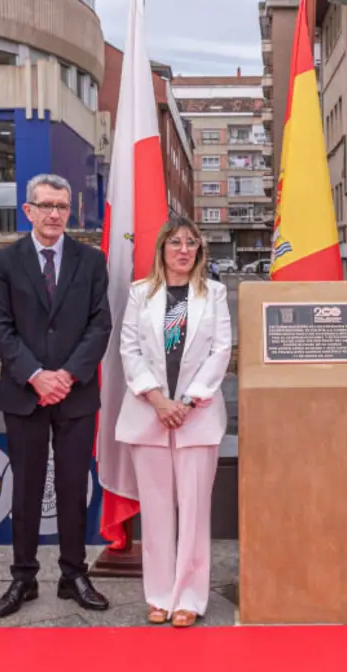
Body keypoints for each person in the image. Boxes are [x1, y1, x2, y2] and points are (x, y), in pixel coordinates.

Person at [0, 173, 113, 618]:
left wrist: (66, 377)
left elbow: (100, 325)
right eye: (46, 206)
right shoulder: (5, 262)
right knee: (26, 489)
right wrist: (37, 376)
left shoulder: (91, 261)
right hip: (25, 394)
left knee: (73, 486)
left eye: (62, 206)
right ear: (29, 211)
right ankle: (23, 577)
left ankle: (73, 573)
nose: (55, 214)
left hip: (75, 395)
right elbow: (0, 327)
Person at [114, 217, 232, 628]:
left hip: (196, 418)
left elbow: (221, 352)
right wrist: (159, 400)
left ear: (199, 251)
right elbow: (129, 350)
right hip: (149, 415)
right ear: (162, 248)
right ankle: (160, 596)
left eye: (191, 244)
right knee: (158, 512)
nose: (183, 250)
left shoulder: (214, 293)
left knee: (195, 511)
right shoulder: (139, 293)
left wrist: (186, 402)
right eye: (176, 242)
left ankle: (190, 597)